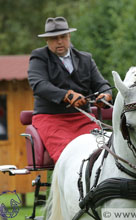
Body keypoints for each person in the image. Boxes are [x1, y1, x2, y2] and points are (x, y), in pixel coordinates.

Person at [28, 16, 112, 163]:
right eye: (54, 38)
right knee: (69, 155)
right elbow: (39, 84)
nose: (59, 41)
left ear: (69, 36)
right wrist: (66, 95)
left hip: (83, 119)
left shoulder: (86, 58)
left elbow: (102, 85)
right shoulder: (39, 57)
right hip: (51, 118)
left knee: (105, 149)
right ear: (47, 41)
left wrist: (105, 95)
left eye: (63, 37)